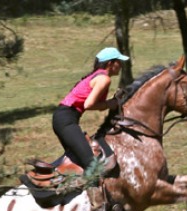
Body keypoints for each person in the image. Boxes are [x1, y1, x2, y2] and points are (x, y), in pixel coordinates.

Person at [52, 47, 129, 177]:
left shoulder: (98, 76)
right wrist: (110, 104)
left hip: (64, 117)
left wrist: (111, 103)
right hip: (66, 120)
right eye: (118, 62)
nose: (121, 65)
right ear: (110, 63)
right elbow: (89, 104)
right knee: (92, 165)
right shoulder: (104, 79)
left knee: (79, 161)